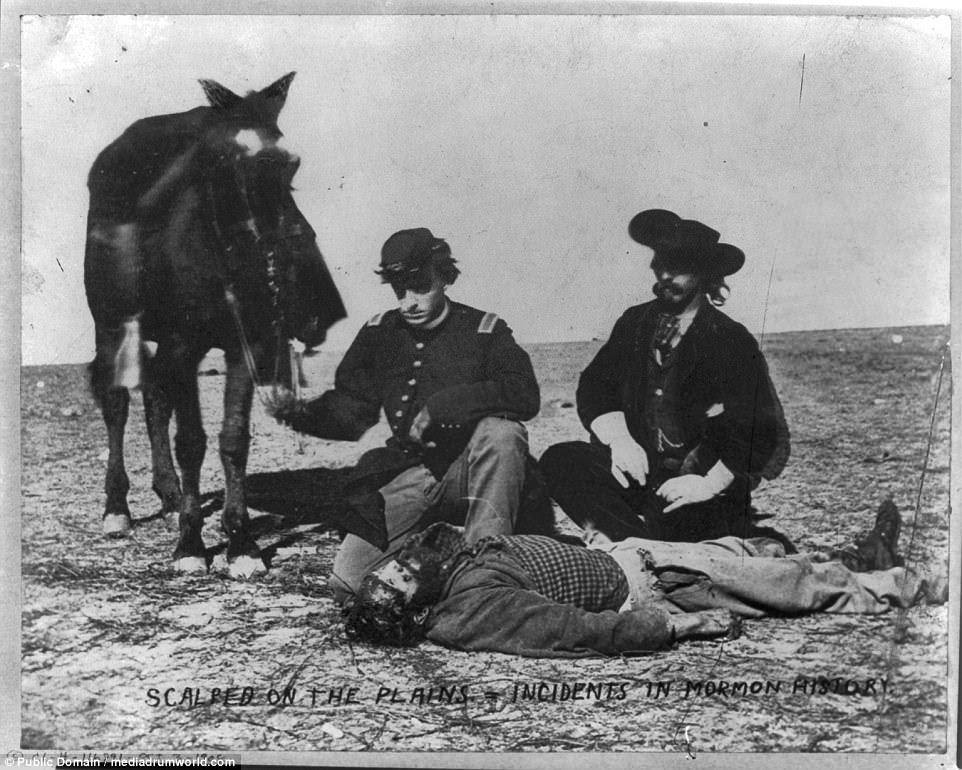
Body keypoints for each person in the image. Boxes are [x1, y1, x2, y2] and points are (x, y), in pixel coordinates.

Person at [270, 227, 548, 601]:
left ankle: (484, 577)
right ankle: (447, 557)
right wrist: (297, 412)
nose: (408, 303)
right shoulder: (378, 332)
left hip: (474, 473)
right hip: (410, 474)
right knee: (349, 584)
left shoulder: (484, 331)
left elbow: (523, 395)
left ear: (445, 277)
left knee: (502, 433)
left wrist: (443, 406)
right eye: (399, 291)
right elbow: (352, 409)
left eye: (420, 287)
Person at [342, 499, 946, 658]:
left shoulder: (449, 574)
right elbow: (574, 629)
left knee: (748, 550)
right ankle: (908, 585)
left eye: (388, 568)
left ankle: (858, 555)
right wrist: (676, 626)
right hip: (654, 584)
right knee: (791, 586)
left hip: (629, 554)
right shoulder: (468, 613)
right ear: (415, 613)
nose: (399, 566)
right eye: (398, 582)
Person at [540, 208, 790, 544]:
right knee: (563, 461)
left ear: (705, 273)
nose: (666, 275)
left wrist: (708, 484)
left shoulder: (730, 339)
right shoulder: (635, 322)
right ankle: (636, 546)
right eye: (661, 266)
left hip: (700, 483)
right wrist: (621, 441)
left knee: (683, 527)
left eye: (679, 267)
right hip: (641, 473)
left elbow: (758, 429)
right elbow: (596, 387)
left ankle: (641, 544)